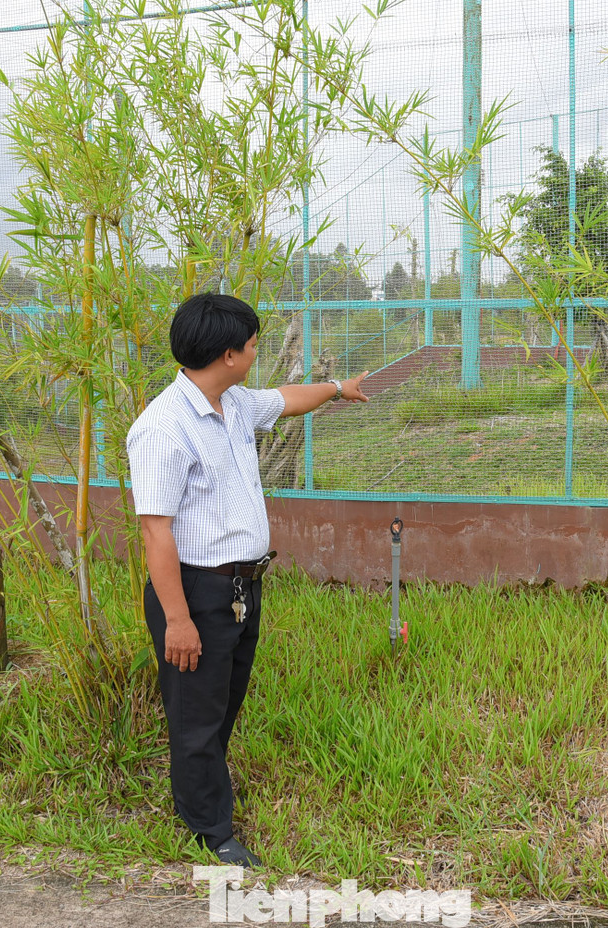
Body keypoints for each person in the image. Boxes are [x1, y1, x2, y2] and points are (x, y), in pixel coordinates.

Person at [126, 292, 369, 868]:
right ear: (229, 353)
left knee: (221, 705)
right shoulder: (162, 428)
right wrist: (179, 620)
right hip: (194, 593)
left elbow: (287, 399)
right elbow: (156, 535)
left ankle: (203, 791)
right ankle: (210, 830)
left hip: (240, 588)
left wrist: (339, 390)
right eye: (254, 343)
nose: (259, 350)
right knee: (195, 716)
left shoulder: (232, 402)